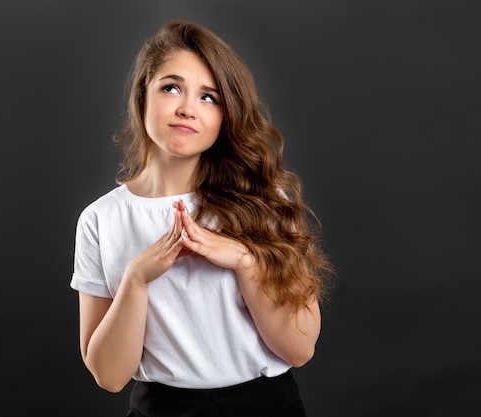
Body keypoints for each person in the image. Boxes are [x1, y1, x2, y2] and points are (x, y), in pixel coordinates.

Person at [70, 19, 333, 417]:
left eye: (209, 97)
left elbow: (300, 350)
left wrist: (245, 261)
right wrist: (136, 278)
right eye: (171, 87)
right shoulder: (100, 219)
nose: (187, 108)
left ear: (226, 114)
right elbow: (109, 376)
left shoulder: (264, 200)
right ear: (142, 97)